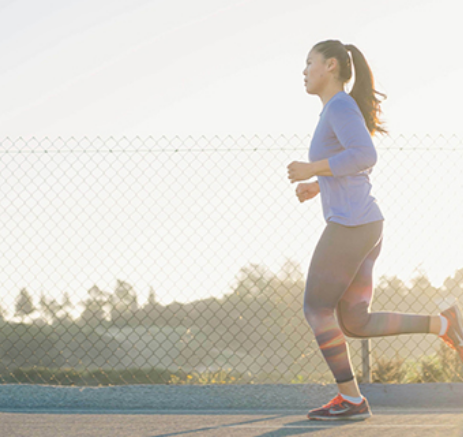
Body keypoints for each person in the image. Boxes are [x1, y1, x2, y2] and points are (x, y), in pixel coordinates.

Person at [286, 39, 463, 421]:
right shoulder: (335, 110)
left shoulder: (339, 106)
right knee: (355, 321)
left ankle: (350, 400)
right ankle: (444, 323)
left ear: (330, 66)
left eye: (309, 62)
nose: (304, 70)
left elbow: (365, 155)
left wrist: (312, 169)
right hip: (364, 224)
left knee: (316, 308)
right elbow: (353, 165)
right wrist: (317, 186)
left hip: (352, 225)